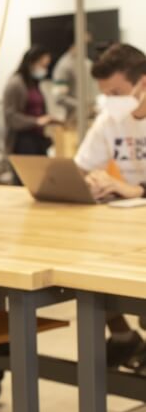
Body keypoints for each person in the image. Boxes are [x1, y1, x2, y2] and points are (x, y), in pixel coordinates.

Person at [74, 43, 146, 373]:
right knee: (84, 267)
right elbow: (81, 167)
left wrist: (133, 188)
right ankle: (122, 337)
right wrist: (93, 181)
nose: (110, 100)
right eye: (105, 94)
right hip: (127, 224)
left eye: (116, 92)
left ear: (142, 83)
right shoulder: (109, 121)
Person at [3, 46, 59, 165]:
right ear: (31, 63)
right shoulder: (16, 84)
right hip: (23, 142)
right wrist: (36, 121)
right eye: (43, 66)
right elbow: (11, 116)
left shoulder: (34, 84)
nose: (45, 69)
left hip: (38, 140)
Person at [52, 39, 96, 126]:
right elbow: (59, 97)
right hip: (73, 120)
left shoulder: (87, 63)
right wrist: (82, 106)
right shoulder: (64, 66)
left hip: (89, 117)